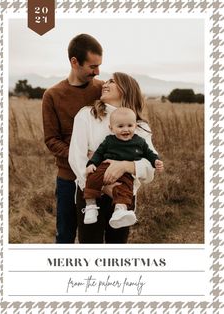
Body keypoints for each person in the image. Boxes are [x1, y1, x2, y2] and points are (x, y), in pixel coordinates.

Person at [69, 72, 160, 243]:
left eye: (112, 81)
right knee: (90, 246)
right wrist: (103, 187)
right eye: (106, 80)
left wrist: (126, 166)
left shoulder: (140, 127)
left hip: (123, 196)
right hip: (90, 194)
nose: (105, 83)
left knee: (117, 245)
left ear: (125, 90)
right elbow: (76, 158)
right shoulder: (87, 115)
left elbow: (150, 169)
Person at [42, 34, 103, 243]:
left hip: (99, 178)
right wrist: (80, 156)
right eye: (93, 66)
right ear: (74, 62)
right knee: (65, 235)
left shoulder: (103, 90)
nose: (97, 72)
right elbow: (51, 140)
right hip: (68, 179)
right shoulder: (52, 95)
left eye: (99, 66)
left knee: (94, 239)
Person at [83, 107, 164, 228]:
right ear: (111, 128)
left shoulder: (140, 142)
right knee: (92, 178)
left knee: (126, 189)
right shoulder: (109, 140)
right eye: (120, 126)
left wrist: (155, 161)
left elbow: (149, 154)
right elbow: (99, 153)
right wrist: (91, 164)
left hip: (126, 173)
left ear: (135, 126)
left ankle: (120, 210)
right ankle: (90, 206)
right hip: (105, 166)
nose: (125, 130)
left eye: (129, 126)